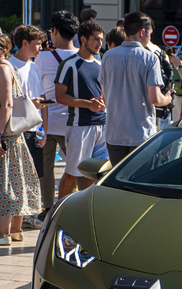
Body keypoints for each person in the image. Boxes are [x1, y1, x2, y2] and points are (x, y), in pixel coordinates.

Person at [0, 33, 41, 246]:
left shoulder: (2, 69)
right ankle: (15, 230)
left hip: (4, 138)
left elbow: (7, 104)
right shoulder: (3, 69)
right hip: (10, 138)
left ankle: (2, 234)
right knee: (15, 183)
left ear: (4, 49)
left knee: (6, 185)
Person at [99, 12, 170, 166]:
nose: (150, 39)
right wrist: (168, 98)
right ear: (142, 32)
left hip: (114, 132)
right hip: (141, 133)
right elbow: (155, 99)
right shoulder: (150, 58)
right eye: (150, 35)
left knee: (117, 182)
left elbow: (104, 95)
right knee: (139, 184)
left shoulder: (108, 56)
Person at [34, 11, 79, 217]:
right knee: (75, 167)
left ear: (54, 32)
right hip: (73, 120)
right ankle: (72, 204)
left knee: (45, 168)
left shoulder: (42, 57)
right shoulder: (82, 56)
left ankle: (46, 207)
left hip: (46, 120)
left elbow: (35, 88)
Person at [55, 21, 106, 199]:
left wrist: (102, 102)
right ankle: (58, 214)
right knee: (72, 174)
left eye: (101, 39)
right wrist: (88, 104)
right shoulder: (69, 65)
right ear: (83, 39)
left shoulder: (100, 65)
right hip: (79, 126)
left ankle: (82, 212)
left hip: (102, 126)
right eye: (96, 39)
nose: (100, 43)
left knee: (94, 174)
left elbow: (103, 95)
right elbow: (59, 96)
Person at [9, 25, 50, 230]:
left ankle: (27, 213)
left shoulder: (34, 67)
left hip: (35, 130)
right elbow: (7, 102)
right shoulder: (9, 66)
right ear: (24, 43)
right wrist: (30, 104)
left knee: (33, 175)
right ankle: (17, 215)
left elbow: (42, 101)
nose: (40, 48)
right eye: (37, 44)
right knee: (18, 175)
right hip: (18, 129)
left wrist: (45, 130)